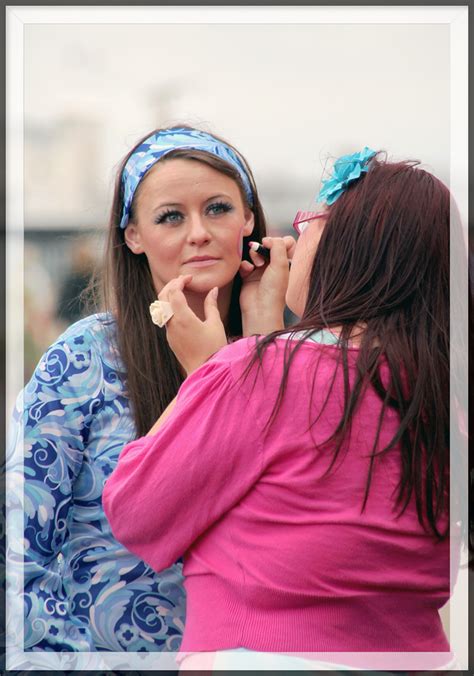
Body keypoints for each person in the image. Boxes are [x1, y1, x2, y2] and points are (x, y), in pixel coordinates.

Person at [103, 148, 456, 671]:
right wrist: (262, 342)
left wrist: (211, 373)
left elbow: (135, 509)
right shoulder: (444, 392)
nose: (295, 237)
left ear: (349, 247)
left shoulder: (260, 372)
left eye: (310, 221)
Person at [7, 125, 289, 653]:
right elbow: (18, 545)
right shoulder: (86, 358)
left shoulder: (296, 358)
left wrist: (264, 338)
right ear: (132, 236)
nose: (199, 232)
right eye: (170, 217)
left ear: (249, 219)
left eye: (219, 209)